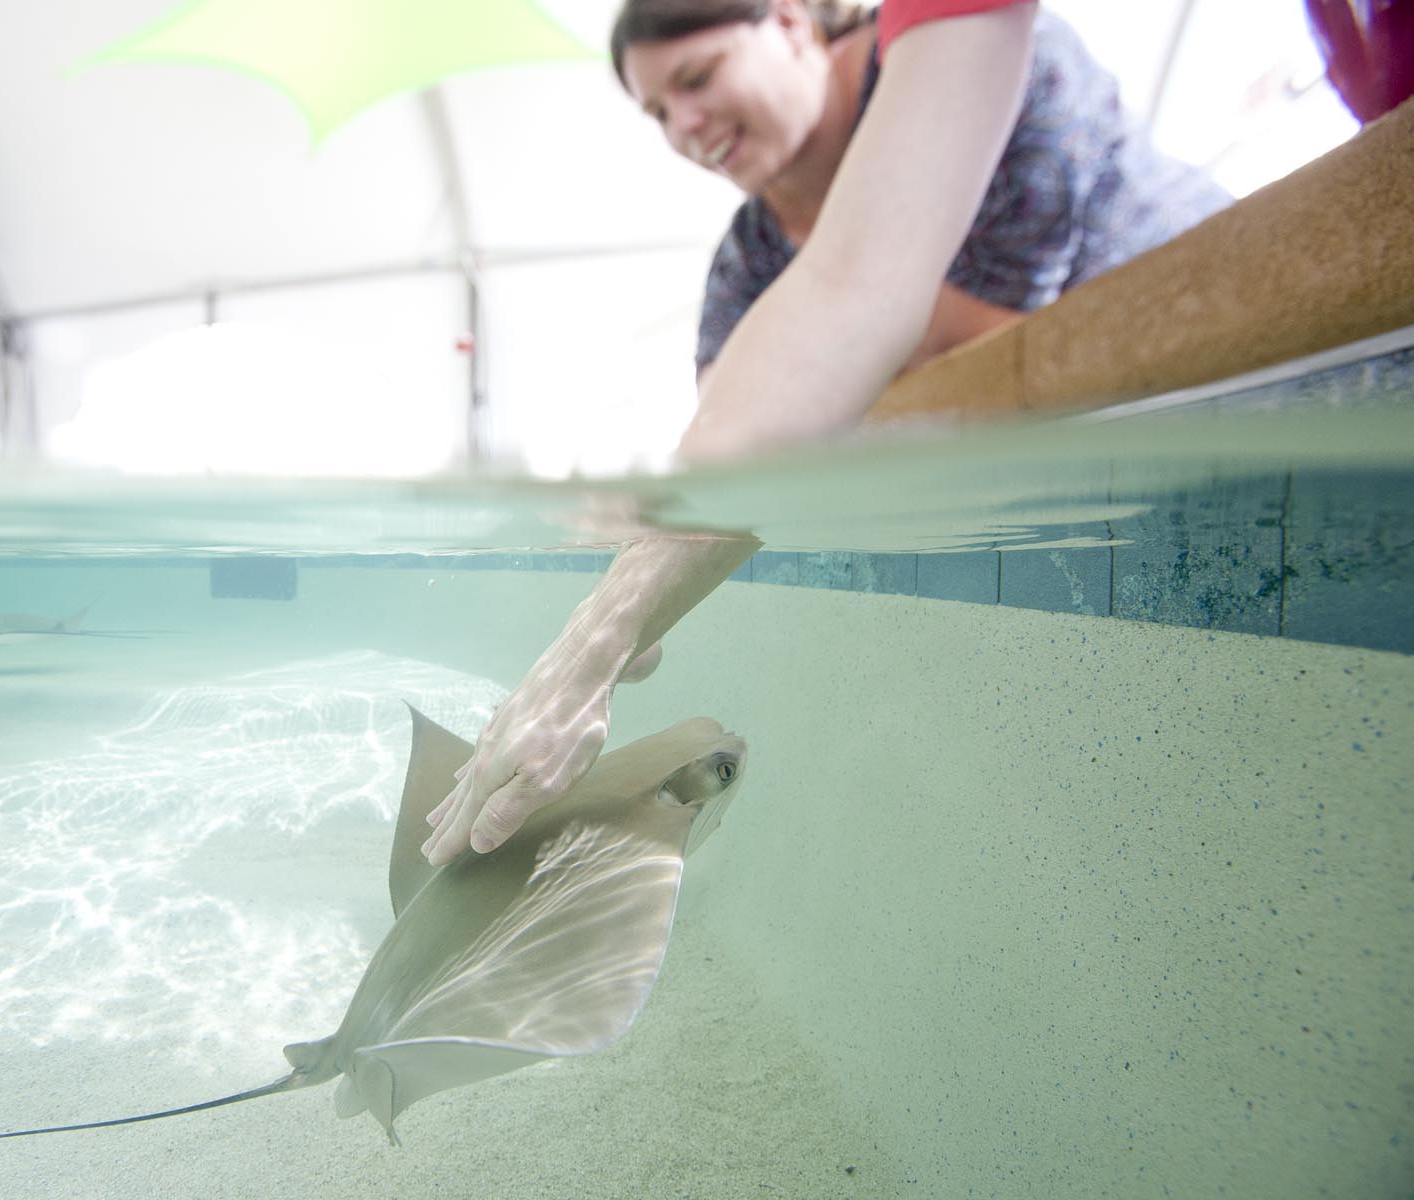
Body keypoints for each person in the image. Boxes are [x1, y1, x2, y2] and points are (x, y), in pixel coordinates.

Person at [421, 0, 1230, 866]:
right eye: (658, 112)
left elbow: (942, 362)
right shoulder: (747, 265)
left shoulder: (1004, 60)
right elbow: (750, 450)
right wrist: (645, 575)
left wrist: (611, 628)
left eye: (696, 78)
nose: (684, 124)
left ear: (794, 25)